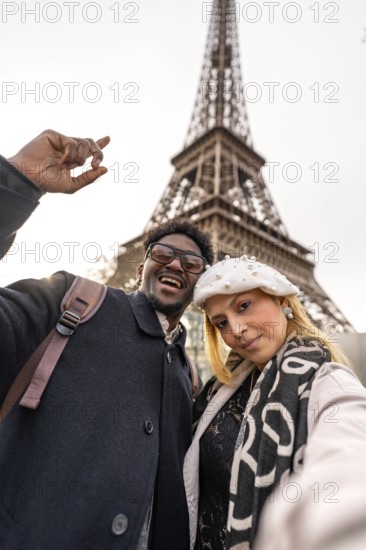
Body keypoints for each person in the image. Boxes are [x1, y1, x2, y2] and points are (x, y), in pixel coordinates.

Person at [0, 130, 214, 549]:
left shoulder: (189, 379)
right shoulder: (68, 303)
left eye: (192, 262)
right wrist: (16, 183)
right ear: (140, 270)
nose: (176, 265)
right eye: (162, 254)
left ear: (201, 285)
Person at [183, 255, 366, 550]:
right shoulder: (221, 390)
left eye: (244, 306)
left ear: (281, 299)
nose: (236, 330)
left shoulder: (329, 382)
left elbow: (351, 458)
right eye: (221, 323)